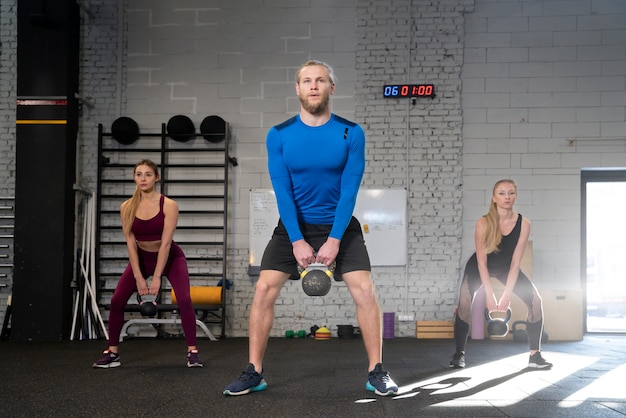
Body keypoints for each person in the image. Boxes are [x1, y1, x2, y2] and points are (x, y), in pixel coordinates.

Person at [223, 60, 398, 396]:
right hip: (294, 226)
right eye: (306, 81)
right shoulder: (279, 135)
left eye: (321, 80)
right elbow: (283, 192)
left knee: (364, 290)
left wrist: (334, 239)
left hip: (340, 226)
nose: (314, 86)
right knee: (262, 290)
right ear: (298, 88)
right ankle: (254, 372)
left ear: (332, 87)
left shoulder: (351, 132)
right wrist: (296, 239)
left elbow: (350, 190)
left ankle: (377, 370)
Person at [92, 159, 203, 368]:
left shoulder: (169, 205)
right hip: (141, 258)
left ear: (157, 177)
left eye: (148, 174)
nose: (143, 179)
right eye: (139, 174)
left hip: (170, 257)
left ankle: (193, 352)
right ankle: (112, 352)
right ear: (134, 177)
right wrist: (139, 277)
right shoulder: (126, 207)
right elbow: (131, 244)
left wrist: (157, 277)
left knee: (185, 299)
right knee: (116, 301)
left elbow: (166, 243)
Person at [450, 179, 552, 370]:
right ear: (494, 197)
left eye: (511, 193)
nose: (507, 197)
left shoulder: (524, 224)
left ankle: (535, 355)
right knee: (464, 300)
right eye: (502, 193)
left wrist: (506, 296)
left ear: (516, 196)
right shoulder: (483, 223)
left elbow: (515, 263)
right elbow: (482, 261)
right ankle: (459, 354)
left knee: (536, 301)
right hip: (480, 266)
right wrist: (490, 295)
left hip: (507, 267)